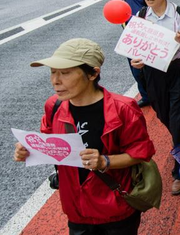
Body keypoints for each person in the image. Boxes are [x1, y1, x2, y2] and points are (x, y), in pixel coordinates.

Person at [15, 38, 155, 234]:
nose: (55, 81)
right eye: (53, 72)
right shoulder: (53, 106)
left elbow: (140, 153)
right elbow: (50, 143)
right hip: (75, 209)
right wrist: (29, 150)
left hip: (116, 208)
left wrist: (104, 161)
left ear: (93, 73)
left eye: (65, 73)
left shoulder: (122, 109)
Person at [131, 0, 180, 196]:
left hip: (179, 70)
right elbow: (136, 50)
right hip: (153, 73)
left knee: (179, 119)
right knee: (164, 115)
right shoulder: (141, 16)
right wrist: (137, 62)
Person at [118, 0, 149, 108]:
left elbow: (136, 16)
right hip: (142, 34)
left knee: (137, 68)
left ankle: (146, 95)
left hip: (136, 36)